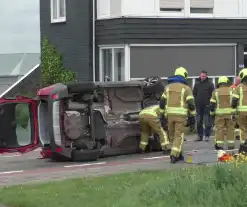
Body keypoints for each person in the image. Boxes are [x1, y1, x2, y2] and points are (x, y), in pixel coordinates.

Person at [159, 67, 196, 164]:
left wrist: (162, 114)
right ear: (184, 75)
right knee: (179, 136)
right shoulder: (186, 88)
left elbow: (162, 102)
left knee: (172, 135)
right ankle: (174, 155)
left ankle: (178, 154)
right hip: (180, 116)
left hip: (169, 115)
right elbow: (191, 103)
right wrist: (192, 116)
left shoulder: (167, 87)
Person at [210, 76, 235, 150]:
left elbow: (212, 104)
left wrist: (212, 113)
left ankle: (219, 146)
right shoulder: (232, 90)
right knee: (230, 129)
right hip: (229, 114)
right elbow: (235, 102)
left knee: (219, 129)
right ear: (227, 82)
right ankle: (231, 145)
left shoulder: (216, 91)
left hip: (219, 115)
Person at [193, 71, 214, 141]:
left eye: (204, 76)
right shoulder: (197, 84)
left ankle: (207, 136)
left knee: (207, 122)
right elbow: (194, 94)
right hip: (199, 106)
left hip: (207, 106)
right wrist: (196, 102)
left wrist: (210, 104)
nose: (202, 77)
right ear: (200, 76)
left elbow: (212, 95)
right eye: (201, 76)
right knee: (199, 121)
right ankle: (199, 136)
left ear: (206, 76)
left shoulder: (210, 84)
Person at [232, 68, 247, 144]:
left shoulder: (239, 87)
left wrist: (233, 109)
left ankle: (244, 144)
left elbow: (234, 100)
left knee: (243, 128)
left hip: (242, 112)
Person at [231, 76, 241, 140]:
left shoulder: (242, 87)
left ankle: (239, 135)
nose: (238, 81)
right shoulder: (232, 87)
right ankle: (236, 135)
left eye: (239, 80)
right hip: (234, 107)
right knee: (234, 122)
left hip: (241, 107)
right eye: (237, 80)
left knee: (240, 123)